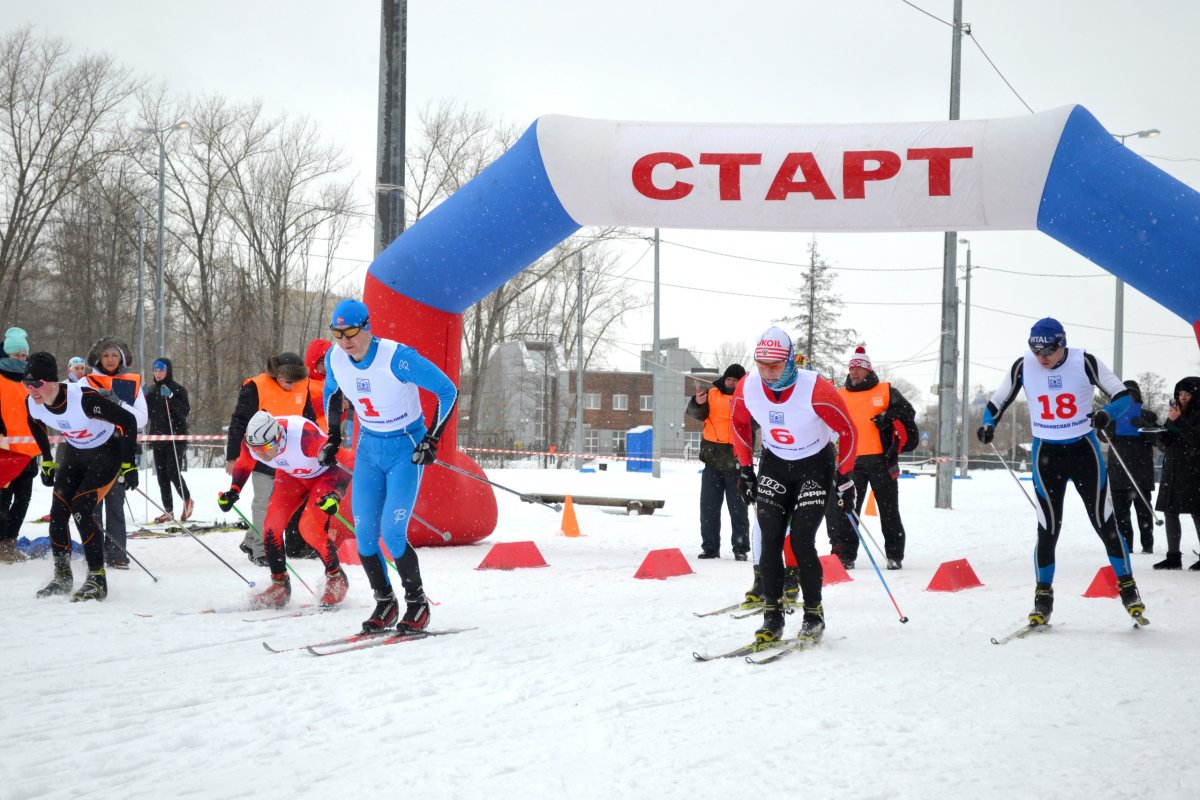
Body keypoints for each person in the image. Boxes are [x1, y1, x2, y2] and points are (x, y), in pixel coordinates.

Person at [977, 317, 1146, 625]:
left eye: (1049, 351)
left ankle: (1128, 588)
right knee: (1048, 526)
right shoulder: (1023, 366)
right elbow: (999, 399)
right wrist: (988, 423)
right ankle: (1043, 598)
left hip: (1084, 451)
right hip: (1046, 455)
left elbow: (1123, 395)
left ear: (1062, 345)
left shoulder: (1085, 361)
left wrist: (1107, 414)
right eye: (1036, 350)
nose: (1042, 358)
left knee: (1104, 522)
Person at [321, 298, 458, 635]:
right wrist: (333, 438)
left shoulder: (397, 357)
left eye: (351, 331)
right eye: (337, 333)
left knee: (392, 533)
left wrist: (433, 439)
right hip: (369, 447)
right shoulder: (335, 357)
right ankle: (385, 602)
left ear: (367, 327)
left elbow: (447, 390)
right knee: (365, 535)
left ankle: (417, 603)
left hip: (405, 448)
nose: (345, 339)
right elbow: (331, 393)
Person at [730, 326, 857, 645]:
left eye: (775, 367)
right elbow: (739, 425)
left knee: (801, 540)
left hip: (815, 465)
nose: (768, 374)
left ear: (790, 361)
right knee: (770, 538)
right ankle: (771, 616)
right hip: (775, 463)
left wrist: (846, 476)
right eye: (762, 367)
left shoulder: (816, 389)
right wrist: (745, 468)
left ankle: (814, 613)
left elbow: (849, 431)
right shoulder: (748, 387)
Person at [24, 352, 139, 602]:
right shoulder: (33, 402)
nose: (32, 390)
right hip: (76, 453)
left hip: (107, 451)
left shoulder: (83, 399)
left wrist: (129, 463)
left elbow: (128, 421)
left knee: (82, 508)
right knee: (58, 513)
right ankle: (62, 576)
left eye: (37, 384)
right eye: (27, 384)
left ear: (52, 381)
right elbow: (35, 423)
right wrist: (48, 458)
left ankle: (97, 578)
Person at [217, 410, 350, 608]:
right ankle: (279, 584)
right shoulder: (253, 443)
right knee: (270, 527)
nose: (262, 454)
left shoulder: (304, 436)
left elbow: (348, 462)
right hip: (291, 476)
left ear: (278, 436)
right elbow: (245, 462)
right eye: (257, 449)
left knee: (309, 528)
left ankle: (336, 576)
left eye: (266, 448)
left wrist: (336, 495)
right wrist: (234, 491)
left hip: (323, 476)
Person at [825, 345, 918, 570]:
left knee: (889, 511)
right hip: (851, 462)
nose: (854, 372)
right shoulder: (840, 394)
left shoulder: (886, 391)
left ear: (868, 370)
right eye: (851, 368)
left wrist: (889, 415)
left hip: (881, 461)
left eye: (858, 368)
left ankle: (895, 555)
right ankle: (846, 556)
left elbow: (909, 413)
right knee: (847, 510)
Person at [225, 352, 315, 565]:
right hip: (259, 455)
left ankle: (251, 538)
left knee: (280, 504)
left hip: (288, 456)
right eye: (288, 381)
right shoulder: (256, 387)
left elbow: (308, 420)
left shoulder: (302, 386)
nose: (292, 386)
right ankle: (261, 550)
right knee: (264, 503)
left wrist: (311, 451)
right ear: (276, 374)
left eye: (296, 381)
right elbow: (239, 421)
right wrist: (232, 456)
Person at [85, 337, 147, 570]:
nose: (110, 359)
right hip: (91, 449)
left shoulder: (131, 382)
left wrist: (118, 403)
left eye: (114, 355)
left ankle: (117, 553)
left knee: (115, 503)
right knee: (92, 505)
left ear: (122, 358)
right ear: (98, 358)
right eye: (106, 355)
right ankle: (95, 552)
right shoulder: (87, 380)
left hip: (120, 449)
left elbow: (141, 419)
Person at [686, 363, 750, 560]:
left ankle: (740, 549)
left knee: (738, 510)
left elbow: (754, 423)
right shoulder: (711, 394)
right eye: (729, 379)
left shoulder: (748, 397)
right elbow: (697, 414)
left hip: (736, 462)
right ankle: (710, 547)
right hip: (712, 461)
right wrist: (697, 402)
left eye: (735, 380)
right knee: (708, 508)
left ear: (741, 382)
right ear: (724, 378)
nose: (731, 383)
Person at [1103, 380, 1158, 555]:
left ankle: (1147, 544)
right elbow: (1102, 436)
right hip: (1118, 471)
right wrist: (1107, 428)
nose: (1129, 400)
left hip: (1141, 473)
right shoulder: (1111, 416)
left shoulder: (1149, 416)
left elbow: (1158, 440)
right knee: (1121, 514)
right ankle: (1126, 545)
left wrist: (1145, 426)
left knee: (1144, 511)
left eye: (1132, 396)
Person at [1151, 377, 1200, 570]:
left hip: (1194, 471)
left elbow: (1196, 439)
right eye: (1180, 394)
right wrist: (1161, 433)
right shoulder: (1175, 413)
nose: (1183, 398)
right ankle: (1173, 556)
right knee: (1170, 511)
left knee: (1198, 512)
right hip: (1172, 470)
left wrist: (1178, 421)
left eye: (1188, 394)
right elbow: (1165, 444)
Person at [0, 356, 39, 562]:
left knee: (23, 498)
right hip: (5, 451)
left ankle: (9, 542)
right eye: (16, 354)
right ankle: (1, 544)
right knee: (3, 500)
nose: (20, 358)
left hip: (27, 451)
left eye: (24, 354)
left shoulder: (30, 379)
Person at [145, 358, 193, 522]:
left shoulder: (178, 389)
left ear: (168, 371)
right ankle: (168, 510)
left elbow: (185, 411)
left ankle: (187, 500)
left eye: (161, 370)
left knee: (172, 470)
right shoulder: (152, 391)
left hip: (176, 437)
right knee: (161, 476)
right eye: (155, 370)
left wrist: (171, 397)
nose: (158, 374)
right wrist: (141, 398)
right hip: (158, 437)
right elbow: (148, 415)